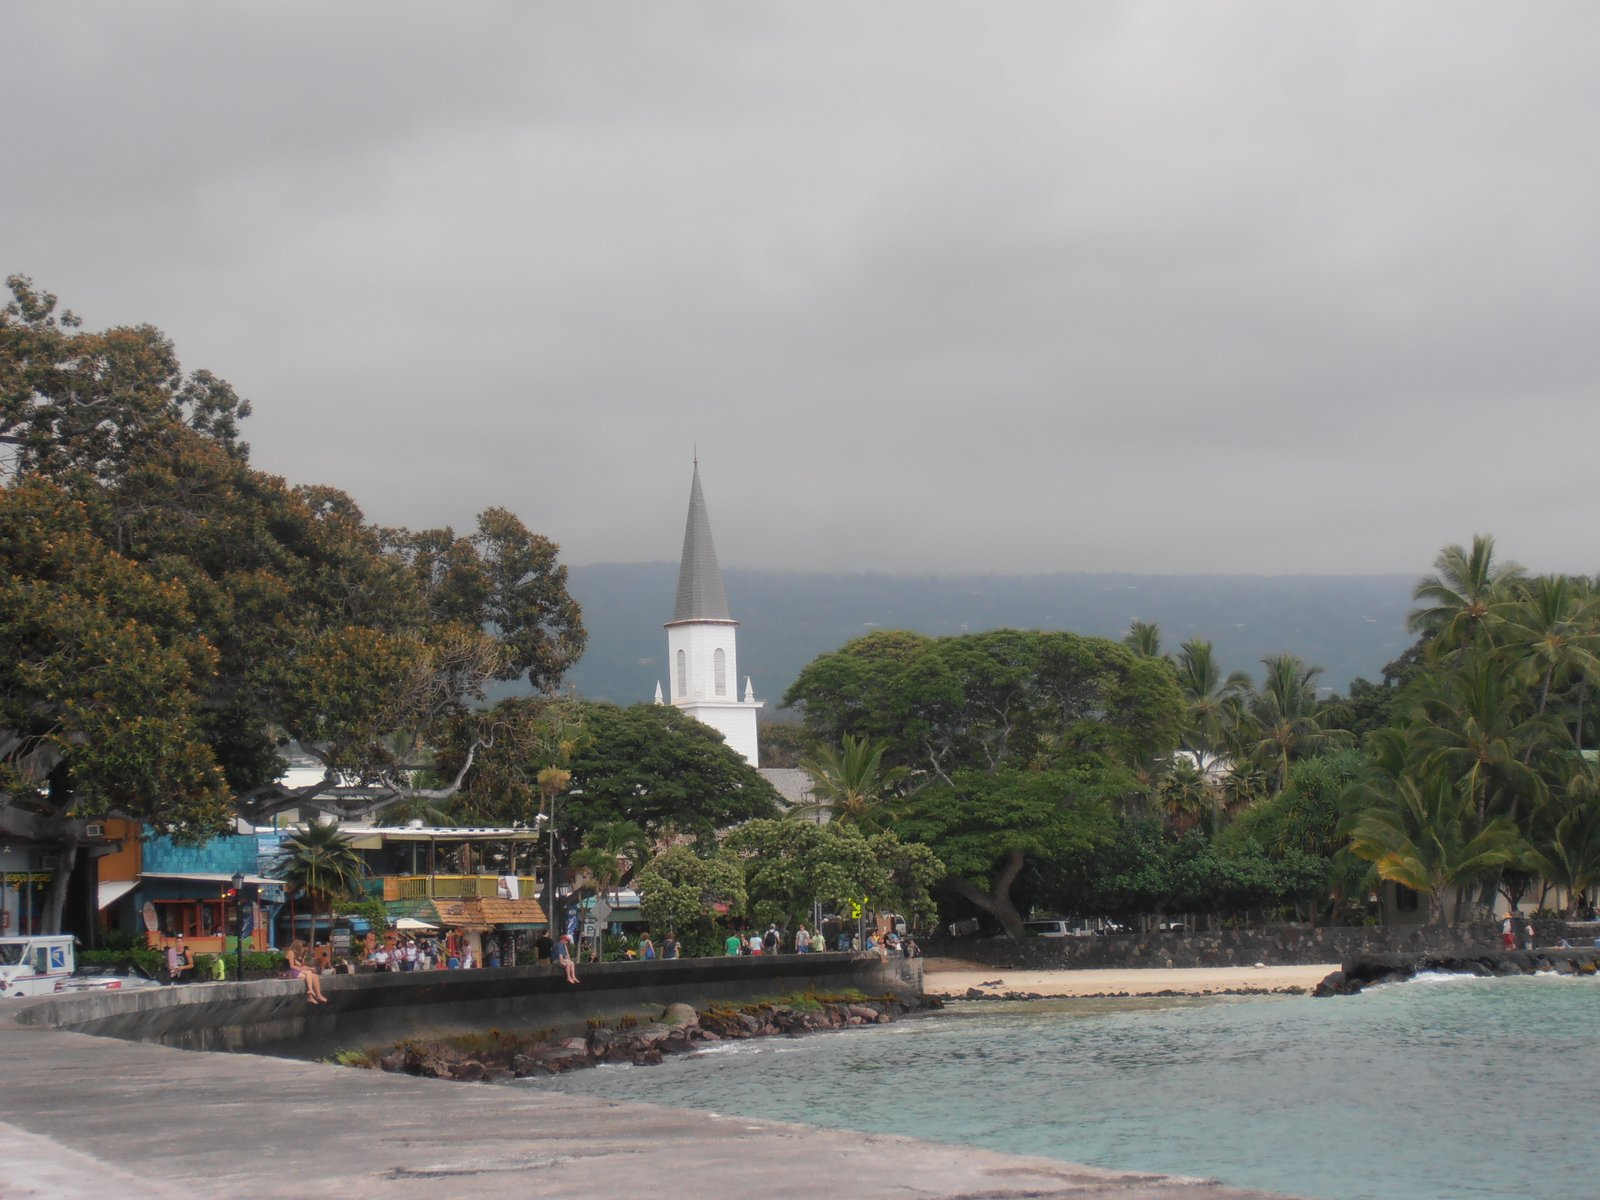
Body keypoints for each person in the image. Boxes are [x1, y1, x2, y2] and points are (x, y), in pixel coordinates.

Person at [285, 939, 327, 1004]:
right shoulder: (291, 953)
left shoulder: (298, 955)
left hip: (295, 971)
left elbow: (301, 966)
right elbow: (292, 966)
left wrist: (309, 968)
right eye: (303, 949)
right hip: (288, 972)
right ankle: (310, 992)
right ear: (298, 947)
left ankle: (318, 995)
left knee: (315, 976)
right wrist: (305, 969)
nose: (303, 950)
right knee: (309, 974)